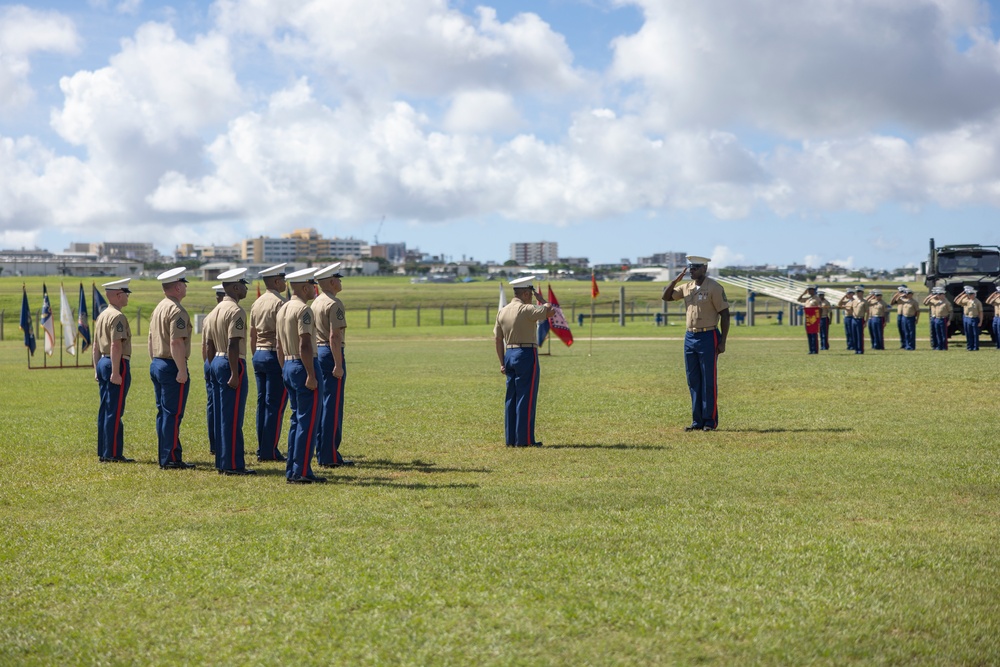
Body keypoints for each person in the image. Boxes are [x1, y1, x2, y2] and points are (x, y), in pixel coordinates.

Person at [662, 255, 730, 431]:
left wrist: (722, 341)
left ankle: (709, 421)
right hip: (690, 337)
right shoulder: (687, 287)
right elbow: (666, 297)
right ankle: (697, 421)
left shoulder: (714, 287)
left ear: (704, 269)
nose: (691, 271)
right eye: (690, 268)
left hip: (708, 336)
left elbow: (725, 314)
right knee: (693, 380)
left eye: (695, 268)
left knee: (708, 379)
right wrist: (675, 280)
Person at [276, 267, 326, 484]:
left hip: (288, 363)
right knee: (308, 420)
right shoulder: (304, 310)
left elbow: (278, 345)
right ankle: (302, 471)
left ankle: (293, 469)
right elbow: (305, 343)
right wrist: (310, 374)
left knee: (296, 419)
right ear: (304, 287)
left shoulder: (283, 309)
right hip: (303, 364)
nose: (315, 289)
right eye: (312, 285)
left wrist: (285, 368)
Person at [494, 275, 556, 446]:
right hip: (526, 353)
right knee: (526, 398)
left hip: (509, 354)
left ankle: (511, 439)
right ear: (527, 294)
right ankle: (525, 440)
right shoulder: (527, 310)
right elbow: (550, 310)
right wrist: (542, 299)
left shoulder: (503, 310)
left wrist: (501, 362)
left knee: (511, 398)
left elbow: (498, 339)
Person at [148, 267, 195, 470]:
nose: (185, 287)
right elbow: (176, 342)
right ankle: (171, 458)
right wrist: (182, 369)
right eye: (183, 283)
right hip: (171, 364)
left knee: (164, 413)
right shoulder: (177, 310)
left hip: (158, 362)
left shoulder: (159, 307)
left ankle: (166, 455)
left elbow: (151, 339)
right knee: (173, 414)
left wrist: (154, 360)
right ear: (177, 287)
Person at [209, 268, 254, 476]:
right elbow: (233, 344)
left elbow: (209, 345)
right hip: (230, 362)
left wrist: (212, 367)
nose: (246, 288)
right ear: (235, 287)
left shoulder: (215, 311)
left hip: (217, 361)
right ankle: (233, 464)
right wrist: (235, 374)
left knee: (221, 415)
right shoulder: (236, 311)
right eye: (244, 284)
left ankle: (222, 460)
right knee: (233, 417)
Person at [312, 263, 355, 468]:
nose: (340, 281)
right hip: (330, 353)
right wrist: (338, 364)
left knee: (322, 403)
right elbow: (335, 336)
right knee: (332, 405)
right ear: (331, 281)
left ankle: (321, 449)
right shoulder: (334, 303)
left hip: (318, 352)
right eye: (338, 278)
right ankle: (329, 455)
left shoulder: (315, 302)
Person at [250, 263, 289, 462]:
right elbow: (282, 336)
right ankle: (269, 451)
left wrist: (254, 354)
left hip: (259, 354)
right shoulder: (281, 303)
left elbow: (252, 334)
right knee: (275, 405)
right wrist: (284, 364)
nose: (285, 282)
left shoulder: (257, 303)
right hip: (275, 355)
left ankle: (262, 447)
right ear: (276, 281)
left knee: (262, 404)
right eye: (283, 278)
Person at [93, 278, 134, 463]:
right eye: (126, 293)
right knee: (114, 410)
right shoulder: (117, 317)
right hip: (114, 363)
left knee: (106, 408)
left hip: (102, 362)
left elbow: (95, 346)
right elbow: (116, 345)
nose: (127, 297)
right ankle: (112, 453)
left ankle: (104, 450)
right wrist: (116, 372)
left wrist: (96, 369)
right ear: (118, 295)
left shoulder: (102, 315)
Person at [201, 284, 226, 460]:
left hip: (209, 361)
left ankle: (214, 443)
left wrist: (207, 365)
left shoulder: (209, 316)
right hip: (222, 359)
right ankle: (223, 443)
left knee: (212, 404)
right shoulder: (228, 313)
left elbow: (205, 346)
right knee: (224, 405)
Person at [954, 285, 983, 351]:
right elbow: (956, 301)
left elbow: (981, 312)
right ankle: (969, 346)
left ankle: (975, 347)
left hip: (974, 318)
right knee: (968, 333)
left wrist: (980, 321)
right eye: (969, 294)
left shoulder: (978, 302)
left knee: (975, 334)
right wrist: (963, 294)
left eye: (971, 294)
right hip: (966, 318)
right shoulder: (966, 300)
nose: (970, 295)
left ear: (974, 294)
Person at [797, 285, 822, 354]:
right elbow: (799, 299)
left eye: (811, 290)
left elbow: (820, 309)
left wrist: (818, 318)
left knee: (814, 334)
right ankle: (811, 349)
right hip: (807, 318)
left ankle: (815, 350)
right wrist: (803, 293)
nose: (810, 291)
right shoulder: (808, 299)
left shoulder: (816, 298)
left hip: (814, 319)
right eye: (808, 290)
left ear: (814, 290)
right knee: (809, 334)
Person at [851, 286, 868, 354]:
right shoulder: (854, 301)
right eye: (857, 292)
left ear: (862, 293)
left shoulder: (864, 301)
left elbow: (867, 312)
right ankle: (856, 349)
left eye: (859, 292)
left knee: (860, 335)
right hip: (854, 319)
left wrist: (866, 321)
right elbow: (851, 309)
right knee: (854, 335)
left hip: (860, 319)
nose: (858, 294)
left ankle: (860, 349)